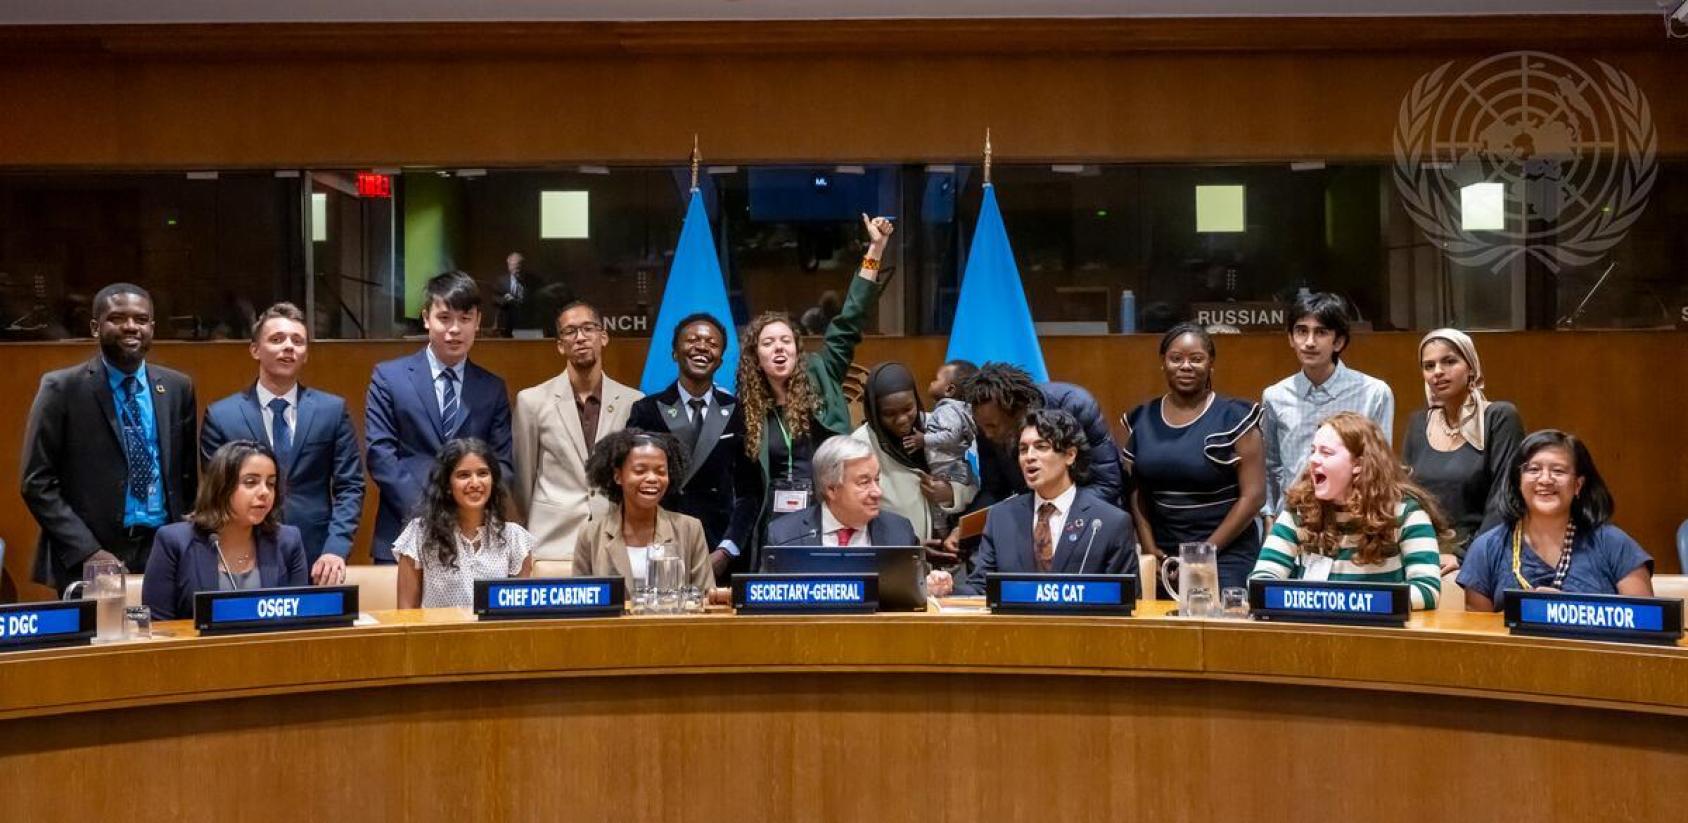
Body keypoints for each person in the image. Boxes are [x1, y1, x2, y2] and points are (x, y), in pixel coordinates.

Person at [737, 214, 894, 565]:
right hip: (775, 522)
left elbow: (850, 319)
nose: (778, 348)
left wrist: (875, 249)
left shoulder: (822, 373)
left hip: (829, 510)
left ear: (797, 348)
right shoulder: (748, 408)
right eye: (768, 343)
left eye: (785, 341)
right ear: (755, 357)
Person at [22, 283, 198, 587]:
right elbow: (36, 482)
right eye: (117, 318)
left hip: (162, 548)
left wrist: (184, 536)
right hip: (91, 553)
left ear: (152, 327)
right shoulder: (62, 389)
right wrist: (87, 551)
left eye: (141, 319)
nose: (131, 326)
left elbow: (186, 475)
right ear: (95, 327)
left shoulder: (177, 388)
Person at [200, 302, 364, 586]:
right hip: (245, 555)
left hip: (317, 556)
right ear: (255, 349)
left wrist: (336, 548)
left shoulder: (332, 411)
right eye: (277, 339)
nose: (289, 347)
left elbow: (350, 486)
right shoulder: (222, 416)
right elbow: (219, 491)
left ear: (306, 354)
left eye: (297, 341)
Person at [366, 271, 514, 564]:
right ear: (426, 318)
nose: (454, 329)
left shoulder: (492, 388)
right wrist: (431, 515)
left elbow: (502, 465)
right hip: (403, 531)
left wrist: (465, 515)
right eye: (444, 318)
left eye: (465, 318)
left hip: (473, 539)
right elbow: (380, 456)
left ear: (478, 321)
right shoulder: (389, 378)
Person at [928, 409, 1138, 597]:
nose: (1029, 457)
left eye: (1041, 447)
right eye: (1023, 449)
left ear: (1070, 455)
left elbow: (1127, 600)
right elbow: (982, 588)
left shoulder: (1109, 523)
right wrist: (949, 589)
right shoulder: (1001, 518)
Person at [1250, 412, 1447, 610]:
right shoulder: (1300, 510)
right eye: (1313, 451)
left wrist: (1352, 603)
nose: (1313, 460)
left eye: (1326, 453)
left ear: (1358, 465)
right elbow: (1260, 581)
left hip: (1376, 628)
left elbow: (1427, 590)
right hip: (1312, 627)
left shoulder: (1406, 513)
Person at [1121, 323, 1266, 591]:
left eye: (1196, 359)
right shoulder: (1142, 418)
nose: (1186, 366)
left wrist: (1202, 554)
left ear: (1211, 365)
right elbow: (1136, 490)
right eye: (1176, 358)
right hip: (1163, 555)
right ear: (1163, 363)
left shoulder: (1236, 416)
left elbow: (1254, 497)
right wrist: (1149, 548)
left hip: (1225, 551)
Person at [626, 313, 761, 579]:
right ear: (675, 352)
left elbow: (751, 491)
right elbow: (633, 482)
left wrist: (727, 549)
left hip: (721, 549)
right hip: (661, 546)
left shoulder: (740, 412)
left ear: (720, 359)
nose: (702, 347)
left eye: (712, 343)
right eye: (692, 340)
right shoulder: (646, 410)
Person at [1457, 430, 1652, 611]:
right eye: (1534, 469)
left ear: (1578, 485)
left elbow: (1647, 623)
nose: (1545, 480)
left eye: (1558, 471)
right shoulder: (1486, 549)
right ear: (1518, 481)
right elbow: (1479, 633)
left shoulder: (1614, 544)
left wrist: (1570, 612)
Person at [513, 300, 642, 564]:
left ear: (603, 337)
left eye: (588, 328)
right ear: (560, 345)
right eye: (570, 331)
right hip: (552, 539)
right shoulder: (532, 401)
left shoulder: (634, 402)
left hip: (615, 536)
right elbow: (523, 480)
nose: (580, 337)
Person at [141, 441, 309, 620]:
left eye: (270, 483)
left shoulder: (288, 541)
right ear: (221, 487)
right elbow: (157, 626)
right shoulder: (174, 542)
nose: (264, 492)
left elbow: (299, 621)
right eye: (251, 482)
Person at [1260, 291, 1394, 514]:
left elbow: (1380, 466)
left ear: (1338, 341)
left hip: (1353, 516)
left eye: (1321, 332)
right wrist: (1269, 515)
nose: (1309, 342)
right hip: (1293, 517)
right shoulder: (1275, 396)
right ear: (1291, 338)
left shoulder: (1374, 393)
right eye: (1301, 331)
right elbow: (1270, 466)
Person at [1401, 328, 1524, 569]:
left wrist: (1462, 555)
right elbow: (1406, 496)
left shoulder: (1499, 417)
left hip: (1482, 552)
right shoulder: (1418, 423)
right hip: (1423, 548)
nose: (1438, 372)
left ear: (1471, 367)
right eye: (1429, 366)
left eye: (1449, 361)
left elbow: (1505, 497)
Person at [956, 362, 1123, 512]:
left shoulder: (1075, 405)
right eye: (982, 427)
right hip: (1034, 515)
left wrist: (1050, 513)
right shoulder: (988, 424)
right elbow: (994, 491)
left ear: (1019, 412)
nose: (987, 434)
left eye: (993, 426)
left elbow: (1107, 484)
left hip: (1091, 516)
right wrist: (963, 529)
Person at [394, 438, 534, 609]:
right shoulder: (419, 534)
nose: (475, 483)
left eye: (483, 473)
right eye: (464, 475)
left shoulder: (515, 539)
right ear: (447, 485)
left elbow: (519, 616)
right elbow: (406, 613)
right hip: (438, 627)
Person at [573, 429, 714, 593]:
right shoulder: (590, 534)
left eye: (661, 472)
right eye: (640, 471)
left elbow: (707, 598)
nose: (652, 478)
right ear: (618, 476)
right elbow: (579, 600)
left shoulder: (690, 529)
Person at [850, 362, 977, 543]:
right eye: (889, 414)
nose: (902, 419)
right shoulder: (859, 445)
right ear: (874, 412)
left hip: (948, 546)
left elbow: (973, 484)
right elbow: (853, 511)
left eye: (908, 409)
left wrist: (951, 494)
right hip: (894, 552)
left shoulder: (940, 426)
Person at [766, 435, 920, 549]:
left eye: (877, 479)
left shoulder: (900, 532)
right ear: (831, 489)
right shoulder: (784, 537)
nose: (877, 492)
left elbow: (912, 582)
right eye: (864, 482)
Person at [919, 358, 978, 488]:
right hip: (951, 467)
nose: (932, 382)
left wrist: (923, 439)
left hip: (948, 470)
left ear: (949, 390)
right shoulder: (959, 411)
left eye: (936, 379)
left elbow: (951, 435)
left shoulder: (948, 410)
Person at [492, 251, 533, 335]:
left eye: (520, 266)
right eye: (514, 266)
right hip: (506, 325)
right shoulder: (501, 281)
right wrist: (505, 300)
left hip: (527, 326)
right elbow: (494, 299)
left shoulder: (532, 281)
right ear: (509, 266)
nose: (517, 269)